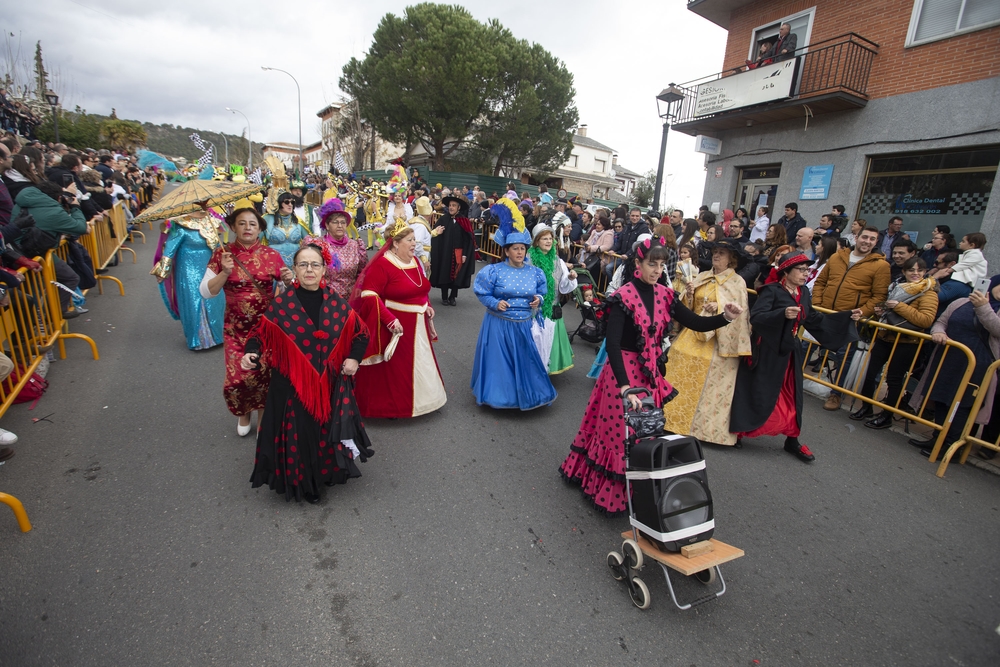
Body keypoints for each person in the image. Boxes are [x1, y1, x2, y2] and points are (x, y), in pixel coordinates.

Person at [560, 237, 741, 515]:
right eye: (651, 264)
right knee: (618, 436)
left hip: (649, 375)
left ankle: (637, 491)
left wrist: (725, 318)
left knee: (643, 436)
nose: (657, 270)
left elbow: (693, 322)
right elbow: (615, 345)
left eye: (660, 265)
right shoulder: (624, 296)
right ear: (638, 264)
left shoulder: (666, 294)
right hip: (623, 376)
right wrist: (623, 387)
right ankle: (609, 493)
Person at [243, 243, 372, 504]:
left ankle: (323, 474)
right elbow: (258, 335)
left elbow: (361, 333)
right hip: (291, 384)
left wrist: (353, 358)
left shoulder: (337, 303)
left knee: (322, 431)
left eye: (315, 264)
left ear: (324, 269)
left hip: (328, 384)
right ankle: (303, 482)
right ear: (295, 270)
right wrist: (250, 353)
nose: (309, 269)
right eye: (303, 264)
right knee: (299, 434)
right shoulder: (281, 305)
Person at [730, 251, 862, 462]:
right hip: (767, 351)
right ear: (786, 271)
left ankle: (792, 439)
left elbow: (813, 318)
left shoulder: (804, 293)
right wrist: (780, 314)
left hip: (789, 351)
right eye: (801, 270)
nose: (805, 274)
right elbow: (757, 318)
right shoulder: (771, 291)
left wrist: (847, 316)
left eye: (807, 270)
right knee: (757, 390)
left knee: (792, 395)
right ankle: (739, 431)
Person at [202, 208, 291, 436]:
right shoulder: (222, 255)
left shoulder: (271, 255)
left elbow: (288, 288)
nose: (248, 228)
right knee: (237, 378)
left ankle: (262, 416)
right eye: (242, 223)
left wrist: (290, 280)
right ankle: (244, 412)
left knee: (264, 374)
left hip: (266, 327)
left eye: (253, 224)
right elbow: (206, 292)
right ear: (233, 227)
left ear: (260, 228)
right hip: (235, 327)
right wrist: (224, 272)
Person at [351, 218, 447, 419]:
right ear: (395, 242)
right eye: (410, 240)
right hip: (397, 326)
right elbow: (369, 296)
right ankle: (392, 408)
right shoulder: (383, 265)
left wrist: (427, 306)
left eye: (414, 239)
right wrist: (389, 320)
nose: (415, 244)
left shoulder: (414, 261)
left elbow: (421, 289)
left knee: (420, 363)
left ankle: (424, 401)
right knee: (395, 370)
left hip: (418, 325)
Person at [663, 239, 751, 446]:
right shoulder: (702, 276)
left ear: (732, 259)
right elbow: (687, 308)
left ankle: (705, 431)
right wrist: (690, 294)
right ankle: (671, 420)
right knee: (677, 355)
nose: (716, 255)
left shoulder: (737, 282)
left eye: (721, 253)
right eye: (715, 252)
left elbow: (739, 312)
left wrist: (719, 307)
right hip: (693, 332)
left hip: (718, 340)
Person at [470, 204, 555, 410]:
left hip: (524, 325)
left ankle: (527, 395)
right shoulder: (493, 271)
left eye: (522, 248)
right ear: (506, 251)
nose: (519, 252)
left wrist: (538, 300)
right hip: (499, 324)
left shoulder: (535, 273)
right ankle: (501, 397)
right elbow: (482, 292)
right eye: (515, 248)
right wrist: (495, 303)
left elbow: (542, 294)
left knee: (526, 362)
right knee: (500, 365)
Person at [907, 276, 1000, 458]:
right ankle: (938, 437)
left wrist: (983, 306)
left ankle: (951, 446)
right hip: (949, 358)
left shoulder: (991, 308)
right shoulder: (960, 302)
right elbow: (941, 322)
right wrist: (939, 333)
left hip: (979, 365)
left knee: (963, 405)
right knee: (941, 397)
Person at [850, 257, 938, 429]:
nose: (915, 274)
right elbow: (889, 314)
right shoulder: (895, 287)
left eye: (919, 270)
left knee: (894, 379)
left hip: (907, 342)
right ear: (904, 272)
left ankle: (886, 415)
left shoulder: (929, 293)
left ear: (924, 272)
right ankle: (866, 407)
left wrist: (898, 306)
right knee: (870, 373)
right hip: (885, 337)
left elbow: (926, 320)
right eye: (911, 270)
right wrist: (880, 311)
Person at [812, 226, 891, 411]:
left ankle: (836, 395)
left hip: (849, 319)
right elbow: (821, 282)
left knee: (843, 357)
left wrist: (862, 312)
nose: (867, 242)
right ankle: (791, 380)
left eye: (872, 239)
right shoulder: (837, 257)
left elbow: (879, 296)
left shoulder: (881, 265)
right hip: (825, 313)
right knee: (804, 345)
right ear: (857, 237)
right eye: (865, 237)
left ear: (876, 242)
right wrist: (818, 304)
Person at [151, 208, 226, 350]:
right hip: (188, 270)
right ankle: (199, 339)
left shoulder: (212, 221)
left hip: (211, 267)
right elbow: (169, 251)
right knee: (195, 302)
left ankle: (218, 336)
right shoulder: (180, 225)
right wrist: (162, 272)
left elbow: (217, 247)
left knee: (215, 299)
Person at [527, 224, 578, 375]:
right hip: (532, 309)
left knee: (549, 343)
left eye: (550, 239)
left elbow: (563, 287)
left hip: (551, 309)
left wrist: (569, 277)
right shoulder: (528, 260)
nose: (549, 242)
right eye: (544, 239)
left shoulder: (558, 261)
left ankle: (546, 368)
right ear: (536, 241)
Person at [310, 198, 368, 302]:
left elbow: (362, 274)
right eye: (335, 222)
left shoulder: (356, 245)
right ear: (327, 225)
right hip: (325, 300)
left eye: (343, 222)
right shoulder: (318, 245)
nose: (340, 226)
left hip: (351, 301)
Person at [430, 194, 475, 306]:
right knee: (444, 272)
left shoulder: (464, 221)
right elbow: (436, 235)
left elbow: (467, 240)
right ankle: (444, 297)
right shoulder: (443, 219)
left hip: (459, 252)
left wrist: (465, 254)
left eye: (454, 205)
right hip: (445, 252)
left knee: (457, 275)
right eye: (450, 205)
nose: (451, 207)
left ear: (458, 207)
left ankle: (453, 296)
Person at [934, 232, 988, 308]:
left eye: (963, 241)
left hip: (971, 279)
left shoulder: (976, 254)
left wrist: (950, 270)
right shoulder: (969, 253)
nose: (960, 243)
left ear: (972, 245)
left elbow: (964, 264)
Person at [263, 192, 311, 268]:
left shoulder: (298, 221)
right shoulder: (266, 219)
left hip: (295, 267)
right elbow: (256, 242)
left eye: (292, 202)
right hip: (273, 267)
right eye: (286, 202)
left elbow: (309, 242)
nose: (290, 204)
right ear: (277, 203)